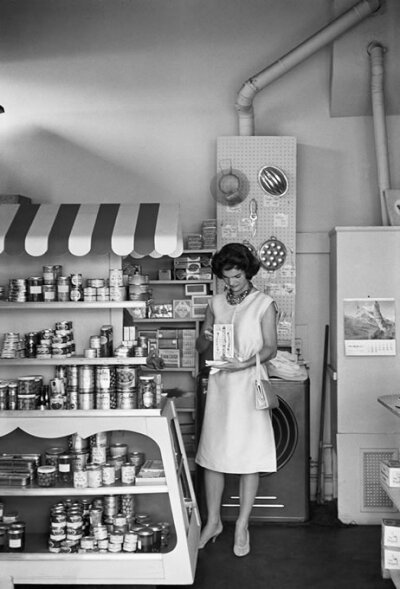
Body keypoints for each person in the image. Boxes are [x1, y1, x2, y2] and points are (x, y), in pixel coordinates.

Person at [195, 242, 278, 557]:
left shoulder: (263, 303)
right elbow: (204, 345)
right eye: (226, 277)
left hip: (248, 383)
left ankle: (242, 524)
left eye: (237, 275)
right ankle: (213, 521)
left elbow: (270, 347)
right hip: (220, 384)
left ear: (248, 271)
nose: (231, 282)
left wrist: (243, 363)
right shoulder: (215, 303)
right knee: (214, 453)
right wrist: (205, 338)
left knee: (248, 456)